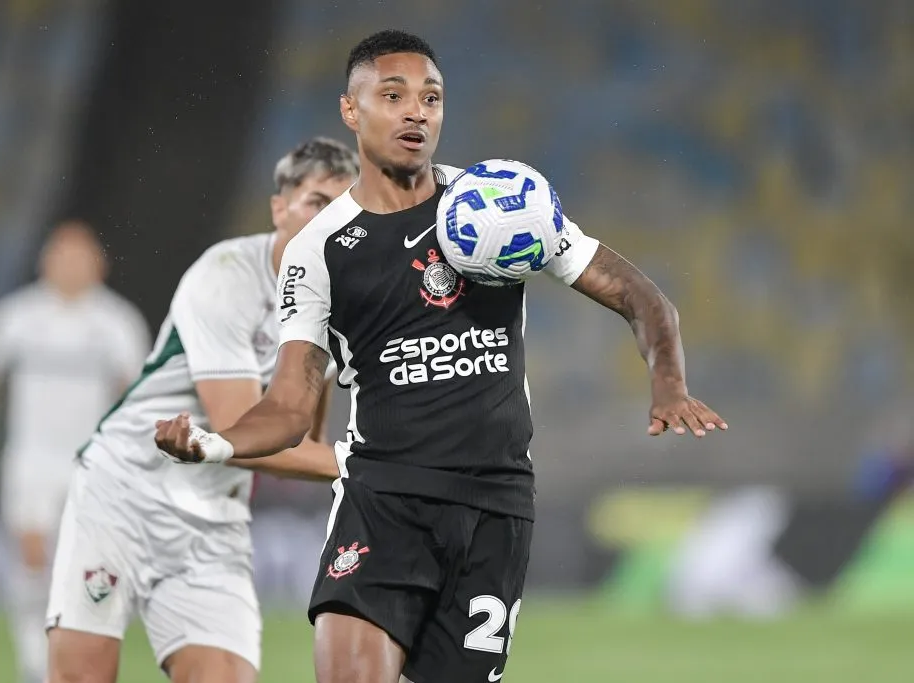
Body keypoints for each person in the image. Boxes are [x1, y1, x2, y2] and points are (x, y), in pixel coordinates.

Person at [155, 30, 728, 683]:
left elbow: (641, 297)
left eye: (430, 98)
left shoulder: (500, 203)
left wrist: (669, 382)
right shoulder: (319, 250)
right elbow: (289, 405)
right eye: (393, 95)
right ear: (351, 110)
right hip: (384, 499)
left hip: (495, 509)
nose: (416, 112)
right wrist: (217, 443)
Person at [46, 137, 359, 683]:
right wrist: (374, 465)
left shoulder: (345, 304)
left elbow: (302, 437)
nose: (329, 221)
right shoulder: (228, 275)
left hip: (213, 518)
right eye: (316, 202)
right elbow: (241, 435)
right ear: (279, 208)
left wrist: (360, 466)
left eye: (344, 208)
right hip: (125, 491)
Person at [0, 220, 150, 683]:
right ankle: (35, 665)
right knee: (31, 560)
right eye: (62, 256)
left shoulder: (117, 322)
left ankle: (79, 658)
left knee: (88, 571)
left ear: (99, 265)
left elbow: (137, 397)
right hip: (30, 460)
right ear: (45, 262)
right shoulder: (17, 316)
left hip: (93, 462)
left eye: (80, 257)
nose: (70, 266)